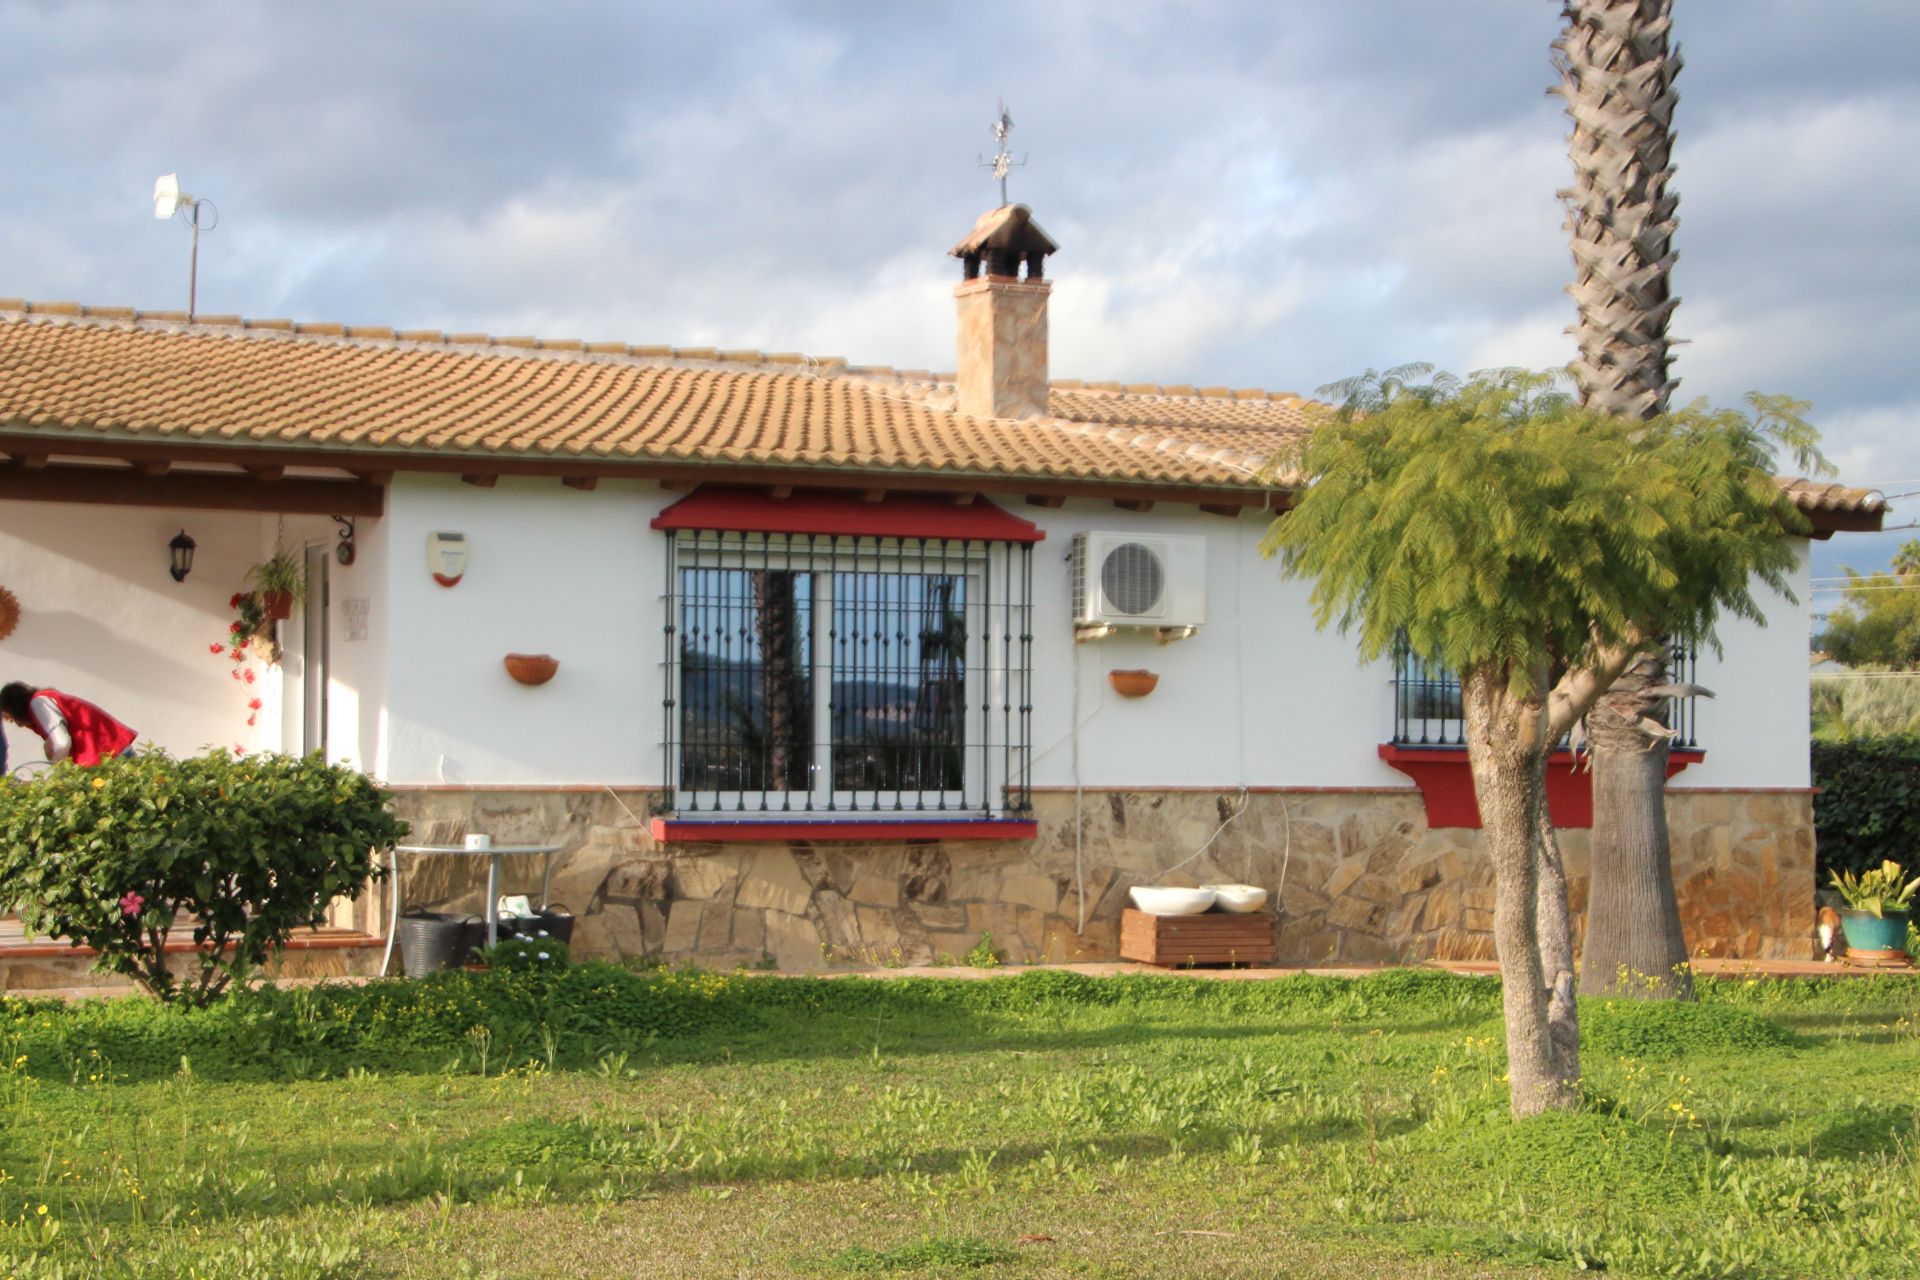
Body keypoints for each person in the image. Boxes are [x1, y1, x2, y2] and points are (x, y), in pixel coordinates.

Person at [0, 683, 137, 767]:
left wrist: (58, 768)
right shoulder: (44, 699)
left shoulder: (39, 703)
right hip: (114, 753)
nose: (10, 721)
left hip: (109, 757)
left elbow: (62, 742)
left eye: (7, 715)